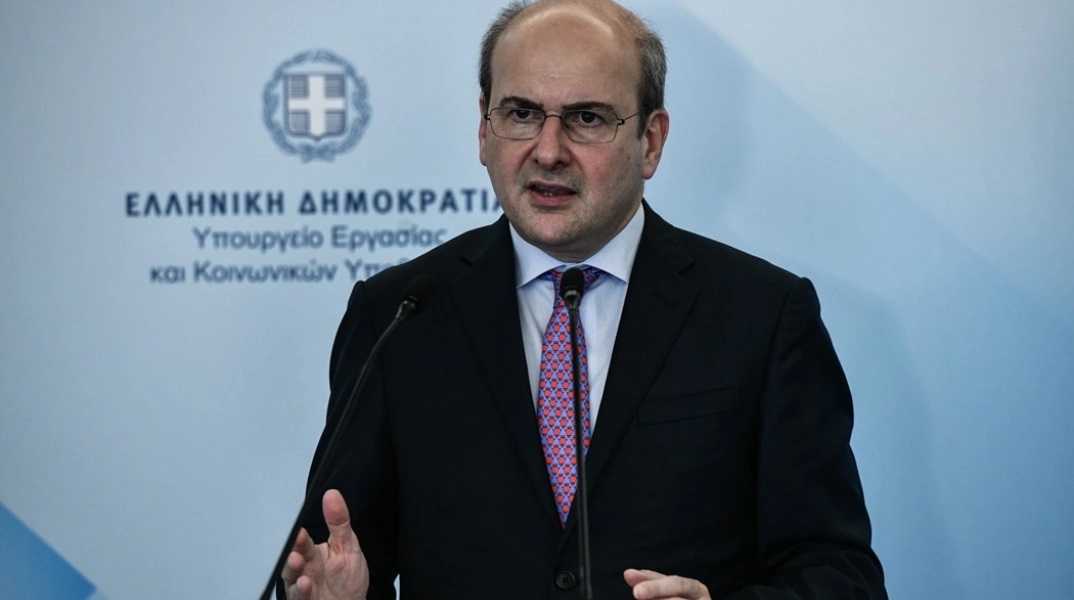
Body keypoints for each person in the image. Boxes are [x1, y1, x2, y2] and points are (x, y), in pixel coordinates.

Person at [280, 0, 887, 598]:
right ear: (484, 129)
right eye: (521, 113)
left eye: (587, 118)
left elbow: (840, 575)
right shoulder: (400, 315)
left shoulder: (764, 315)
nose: (548, 151)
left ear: (651, 141)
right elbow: (333, 558)